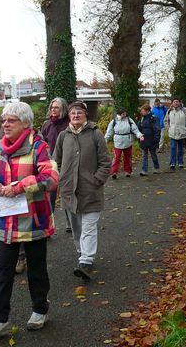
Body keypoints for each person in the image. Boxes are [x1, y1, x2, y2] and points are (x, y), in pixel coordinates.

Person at [0, 101, 59, 336]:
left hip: (34, 219)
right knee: (2, 270)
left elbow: (51, 178)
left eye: (11, 121)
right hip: (6, 222)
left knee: (36, 269)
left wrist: (19, 187)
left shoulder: (38, 146)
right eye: (3, 120)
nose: (5, 125)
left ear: (26, 124)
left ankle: (40, 310)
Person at [53, 101, 111, 281]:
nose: (76, 116)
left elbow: (105, 162)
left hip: (90, 190)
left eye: (79, 113)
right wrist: (62, 179)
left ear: (86, 115)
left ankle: (86, 260)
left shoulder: (95, 134)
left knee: (88, 227)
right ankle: (82, 253)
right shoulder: (63, 136)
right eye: (72, 113)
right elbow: (56, 161)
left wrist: (96, 180)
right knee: (77, 228)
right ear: (69, 116)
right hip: (69, 191)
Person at [41, 97, 71, 233]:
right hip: (50, 165)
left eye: (56, 107)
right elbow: (42, 143)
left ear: (63, 109)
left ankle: (71, 223)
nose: (53, 110)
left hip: (67, 164)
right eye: (52, 107)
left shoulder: (69, 124)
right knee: (49, 197)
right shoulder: (47, 124)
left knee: (67, 194)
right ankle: (48, 227)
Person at [104, 107, 143, 179]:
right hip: (118, 142)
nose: (125, 114)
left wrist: (139, 135)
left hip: (127, 140)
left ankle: (128, 171)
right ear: (119, 114)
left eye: (125, 113)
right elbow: (109, 132)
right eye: (123, 113)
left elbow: (135, 129)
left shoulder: (129, 120)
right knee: (117, 157)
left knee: (128, 157)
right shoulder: (114, 121)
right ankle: (114, 172)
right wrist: (104, 140)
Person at [164, 98, 186, 170]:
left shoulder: (184, 110)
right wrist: (168, 128)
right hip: (172, 132)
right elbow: (166, 120)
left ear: (180, 102)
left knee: (181, 149)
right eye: (174, 102)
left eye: (177, 102)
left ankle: (180, 162)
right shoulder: (169, 111)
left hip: (182, 133)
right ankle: (172, 163)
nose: (175, 103)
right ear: (172, 103)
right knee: (173, 147)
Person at [137, 104, 161, 176]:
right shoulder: (142, 119)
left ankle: (156, 168)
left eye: (143, 111)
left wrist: (156, 139)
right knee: (144, 155)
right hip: (144, 139)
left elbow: (157, 129)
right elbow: (138, 127)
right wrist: (139, 136)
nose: (141, 112)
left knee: (153, 154)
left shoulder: (153, 118)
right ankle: (144, 170)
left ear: (147, 111)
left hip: (152, 139)